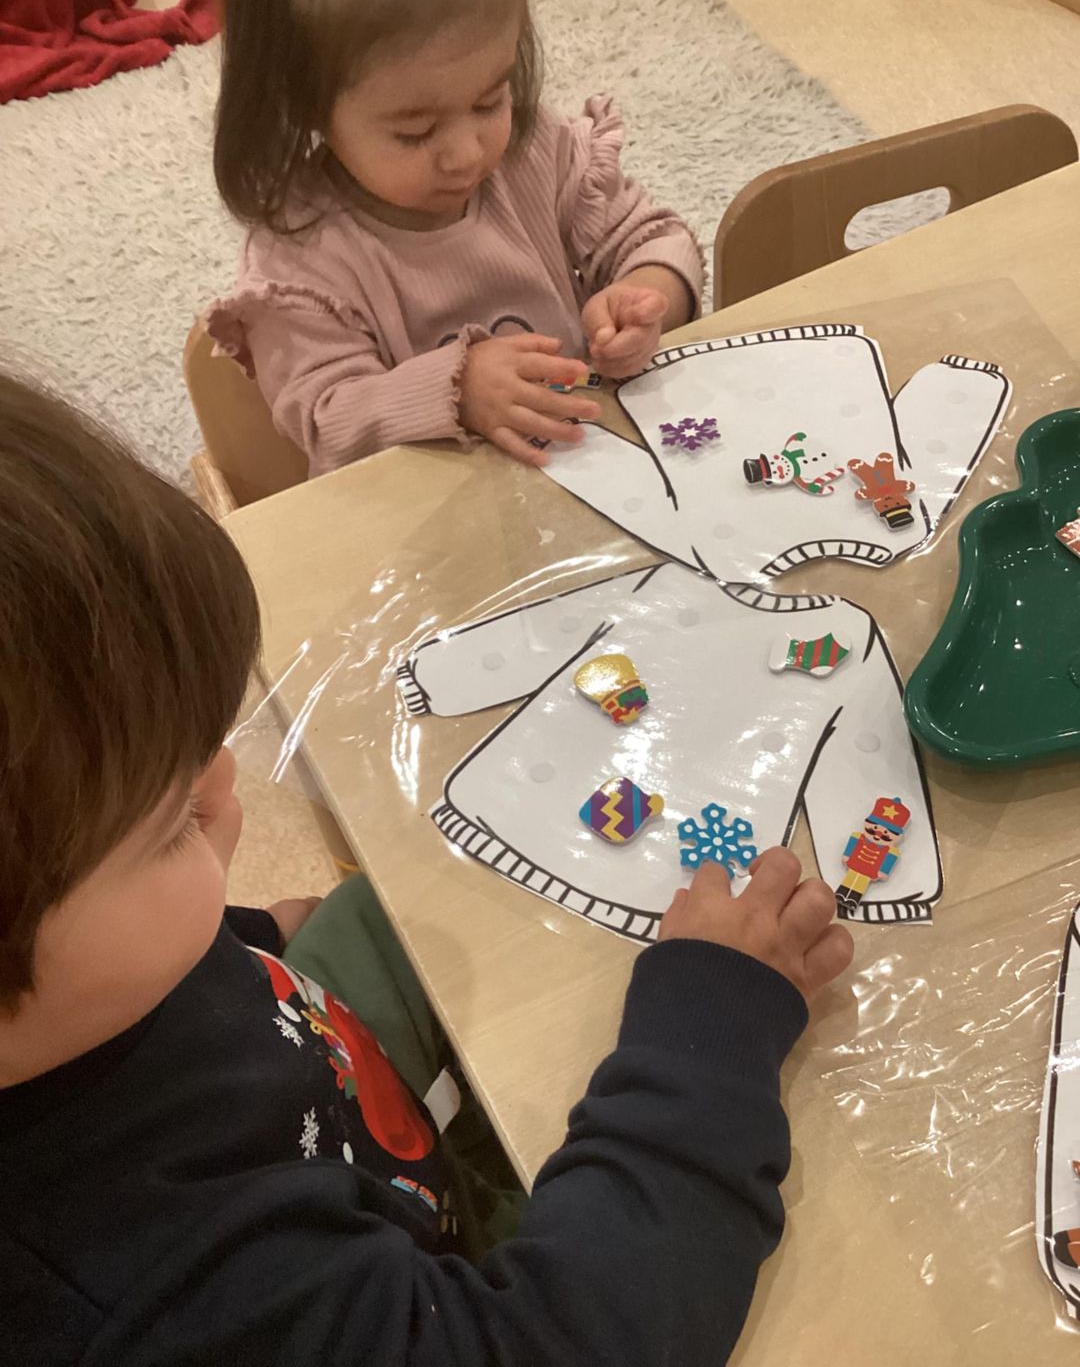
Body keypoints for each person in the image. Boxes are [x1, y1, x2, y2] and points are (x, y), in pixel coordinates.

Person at [0, 374, 854, 1366]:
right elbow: (556, 1345)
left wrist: (250, 937)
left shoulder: (60, 998)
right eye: (170, 825)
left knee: (401, 897)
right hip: (437, 1273)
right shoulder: (164, 1302)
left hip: (317, 1081)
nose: (227, 782)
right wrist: (711, 1033)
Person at [205, 0, 704, 476]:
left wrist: (645, 297)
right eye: (415, 132)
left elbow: (655, 238)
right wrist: (456, 390)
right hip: (433, 511)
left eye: (490, 101)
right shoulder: (299, 261)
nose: (467, 154)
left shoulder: (537, 152)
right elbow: (327, 423)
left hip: (595, 469)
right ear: (303, 106)